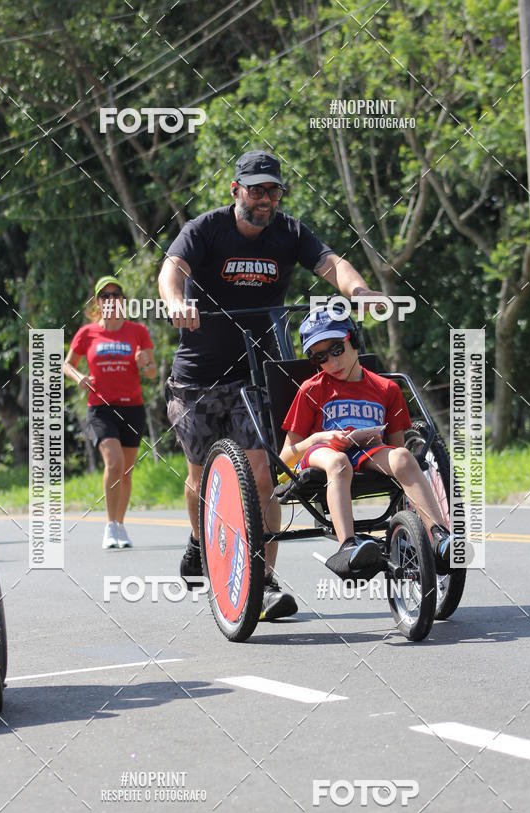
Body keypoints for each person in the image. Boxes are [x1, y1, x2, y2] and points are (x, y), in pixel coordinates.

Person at [158, 149, 382, 619]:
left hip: (258, 372)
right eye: (256, 189)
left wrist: (359, 292)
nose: (264, 199)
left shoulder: (289, 232)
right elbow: (172, 269)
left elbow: (331, 264)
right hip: (197, 376)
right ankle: (200, 539)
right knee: (200, 475)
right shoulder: (205, 229)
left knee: (263, 475)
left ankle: (262, 583)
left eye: (273, 191)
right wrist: (177, 301)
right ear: (235, 190)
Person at [280, 309, 453, 578]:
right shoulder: (311, 389)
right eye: (320, 357)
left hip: (367, 451)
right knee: (337, 462)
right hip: (321, 452)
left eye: (337, 349)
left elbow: (395, 448)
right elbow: (285, 457)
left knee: (403, 457)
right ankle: (348, 546)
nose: (332, 361)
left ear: (354, 340)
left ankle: (439, 536)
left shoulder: (387, 389)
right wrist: (318, 438)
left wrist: (377, 441)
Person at [64, 276, 157, 549]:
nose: (111, 300)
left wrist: (144, 364)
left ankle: (120, 525)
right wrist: (79, 376)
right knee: (114, 463)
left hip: (132, 408)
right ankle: (108, 526)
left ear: (123, 301)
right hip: (100, 409)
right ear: (97, 303)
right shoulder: (87, 333)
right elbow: (67, 364)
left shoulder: (137, 331)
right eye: (105, 296)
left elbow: (152, 372)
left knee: (126, 472)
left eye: (116, 295)